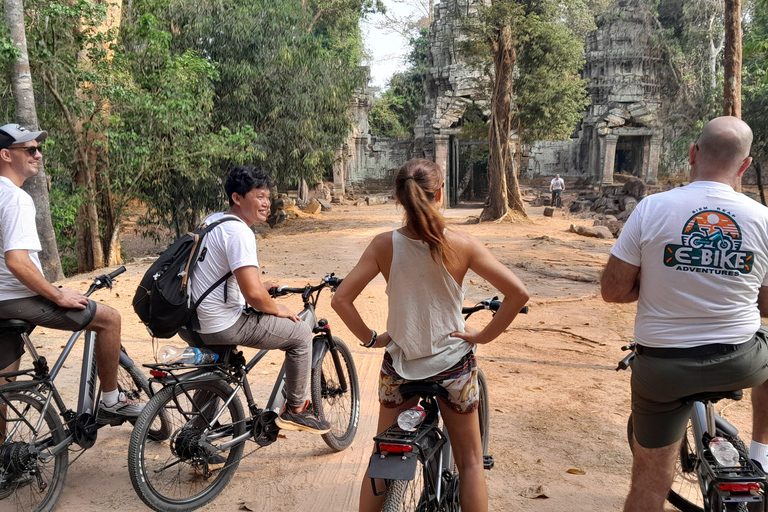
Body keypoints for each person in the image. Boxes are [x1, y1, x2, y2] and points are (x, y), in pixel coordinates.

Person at [331, 158, 529, 512]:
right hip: (453, 367)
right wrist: (482, 336)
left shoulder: (382, 245)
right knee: (470, 462)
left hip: (400, 368)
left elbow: (341, 300)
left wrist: (371, 338)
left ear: (399, 198)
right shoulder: (463, 244)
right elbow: (518, 294)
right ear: (440, 193)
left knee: (381, 456)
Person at [601, 116, 768, 512]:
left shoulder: (652, 208)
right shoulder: (763, 219)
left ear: (693, 153)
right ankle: (762, 450)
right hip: (741, 360)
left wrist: (659, 283)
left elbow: (613, 290)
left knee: (650, 478)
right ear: (744, 166)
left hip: (663, 368)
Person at [0, 123, 142, 427]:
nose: (38, 155)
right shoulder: (15, 198)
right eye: (30, 149)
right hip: (16, 298)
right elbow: (16, 261)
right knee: (109, 319)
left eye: (39, 148)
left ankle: (6, 464)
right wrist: (56, 294)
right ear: (5, 155)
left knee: (4, 387)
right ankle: (111, 401)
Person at [186, 165, 330, 434]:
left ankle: (196, 437)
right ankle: (296, 409)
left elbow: (218, 276)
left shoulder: (212, 221)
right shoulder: (240, 232)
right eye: (259, 196)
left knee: (218, 370)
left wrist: (261, 287)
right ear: (237, 198)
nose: (266, 203)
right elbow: (253, 295)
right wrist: (276, 307)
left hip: (194, 320)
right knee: (300, 334)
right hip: (222, 322)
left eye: (267, 196)